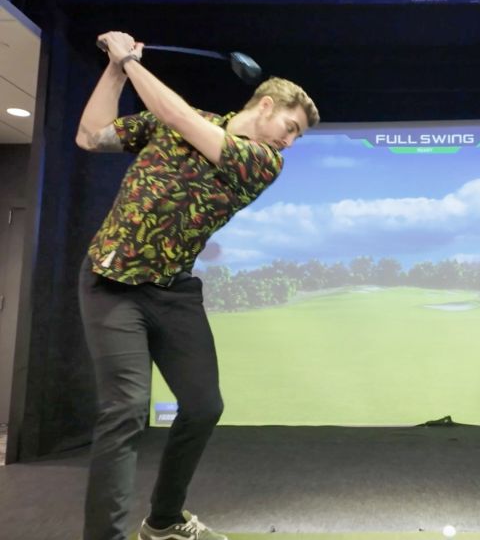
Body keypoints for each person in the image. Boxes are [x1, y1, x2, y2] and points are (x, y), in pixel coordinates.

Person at [75, 31, 319, 540]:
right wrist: (117, 69)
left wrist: (131, 63)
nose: (290, 141)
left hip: (172, 292)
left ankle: (163, 520)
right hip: (111, 281)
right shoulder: (182, 121)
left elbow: (178, 117)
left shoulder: (262, 163)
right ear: (267, 104)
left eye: (298, 137)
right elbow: (91, 135)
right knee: (123, 411)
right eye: (291, 127)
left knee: (205, 405)